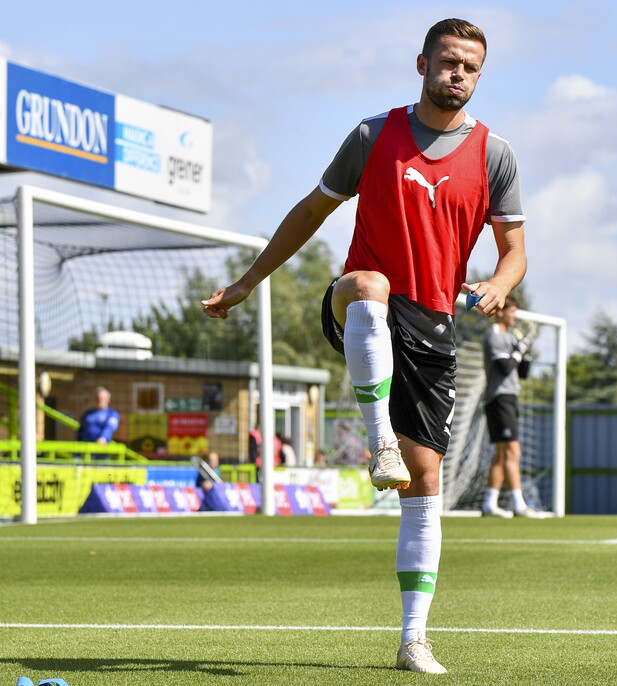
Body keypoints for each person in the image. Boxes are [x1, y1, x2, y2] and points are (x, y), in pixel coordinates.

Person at [201, 18, 526, 674]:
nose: (456, 72)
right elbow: (311, 211)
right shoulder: (374, 136)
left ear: (479, 75)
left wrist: (498, 282)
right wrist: (245, 281)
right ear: (422, 63)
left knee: (426, 479)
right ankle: (377, 432)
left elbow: (515, 251)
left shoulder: (495, 155)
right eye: (446, 61)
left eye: (469, 65)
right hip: (361, 303)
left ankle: (414, 637)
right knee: (368, 284)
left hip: (435, 326)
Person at [480, 295, 543, 518]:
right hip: (499, 398)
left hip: (510, 397)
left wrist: (526, 351)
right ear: (501, 312)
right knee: (512, 451)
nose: (514, 316)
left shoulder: (510, 337)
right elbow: (506, 367)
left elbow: (522, 373)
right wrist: (520, 349)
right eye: (512, 311)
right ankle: (519, 505)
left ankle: (489, 503)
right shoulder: (495, 336)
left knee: (501, 455)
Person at [77, 386, 120, 453]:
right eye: (97, 398)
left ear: (108, 400)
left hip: (100, 449)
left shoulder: (111, 413)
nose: (99, 400)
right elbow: (80, 429)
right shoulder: (88, 413)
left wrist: (103, 438)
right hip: (85, 449)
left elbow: (110, 428)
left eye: (102, 398)